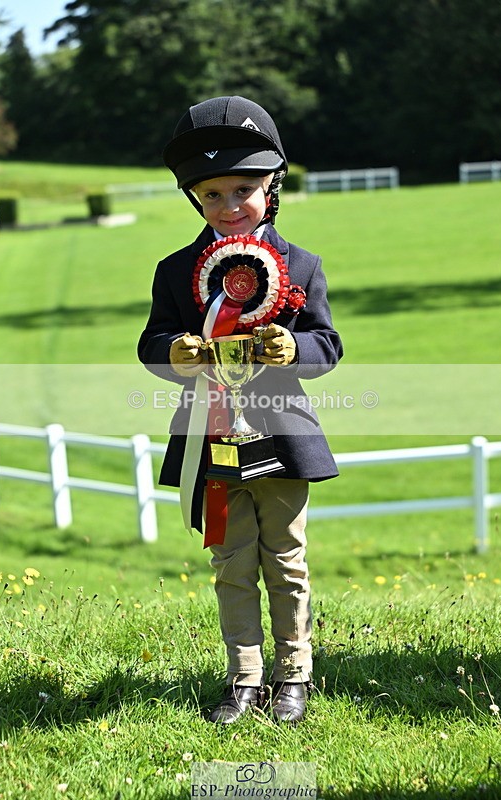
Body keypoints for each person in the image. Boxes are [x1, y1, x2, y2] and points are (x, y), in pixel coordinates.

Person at [138, 96, 342, 724]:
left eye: (244, 191)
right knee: (231, 563)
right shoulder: (174, 272)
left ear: (272, 186)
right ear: (195, 200)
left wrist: (294, 347)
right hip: (213, 446)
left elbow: (327, 345)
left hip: (281, 443)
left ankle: (294, 676)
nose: (229, 207)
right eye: (213, 196)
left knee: (285, 559)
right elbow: (151, 346)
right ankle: (244, 680)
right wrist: (175, 350)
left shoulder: (302, 265)